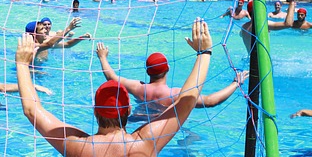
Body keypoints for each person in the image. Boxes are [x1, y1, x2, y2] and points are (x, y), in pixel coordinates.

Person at [15, 18, 213, 157]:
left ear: (95, 111)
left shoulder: (77, 146)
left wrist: (22, 63)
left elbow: (32, 110)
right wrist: (204, 53)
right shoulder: (146, 142)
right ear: (128, 110)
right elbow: (187, 101)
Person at [96, 43, 248, 116]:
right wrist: (236, 83)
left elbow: (111, 77)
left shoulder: (138, 88)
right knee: (191, 135)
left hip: (139, 119)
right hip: (164, 126)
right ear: (167, 69)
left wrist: (102, 57)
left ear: (148, 72)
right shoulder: (175, 94)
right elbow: (210, 101)